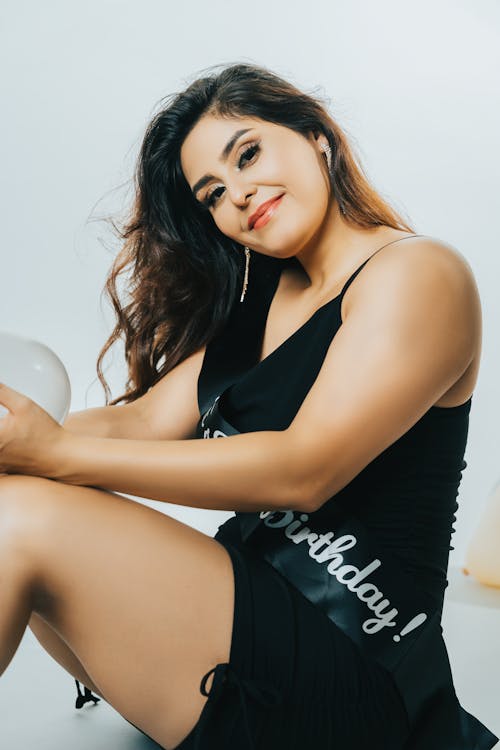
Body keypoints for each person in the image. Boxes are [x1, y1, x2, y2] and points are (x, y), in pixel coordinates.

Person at [0, 62, 497, 750]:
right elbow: (142, 421)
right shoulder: (266, 296)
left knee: (17, 516)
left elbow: (304, 469)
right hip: (245, 625)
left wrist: (53, 454)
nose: (239, 194)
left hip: (353, 674)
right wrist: (16, 441)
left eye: (249, 153)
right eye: (213, 192)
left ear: (315, 135)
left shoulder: (420, 276)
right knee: (14, 485)